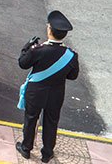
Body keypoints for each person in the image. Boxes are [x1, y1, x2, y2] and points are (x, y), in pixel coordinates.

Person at [16, 11, 79, 163]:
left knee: (31, 119)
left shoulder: (38, 50)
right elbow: (73, 76)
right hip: (56, 93)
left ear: (49, 30)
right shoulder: (71, 55)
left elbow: (22, 63)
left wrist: (27, 47)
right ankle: (47, 153)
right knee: (51, 121)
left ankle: (26, 148)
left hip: (36, 92)